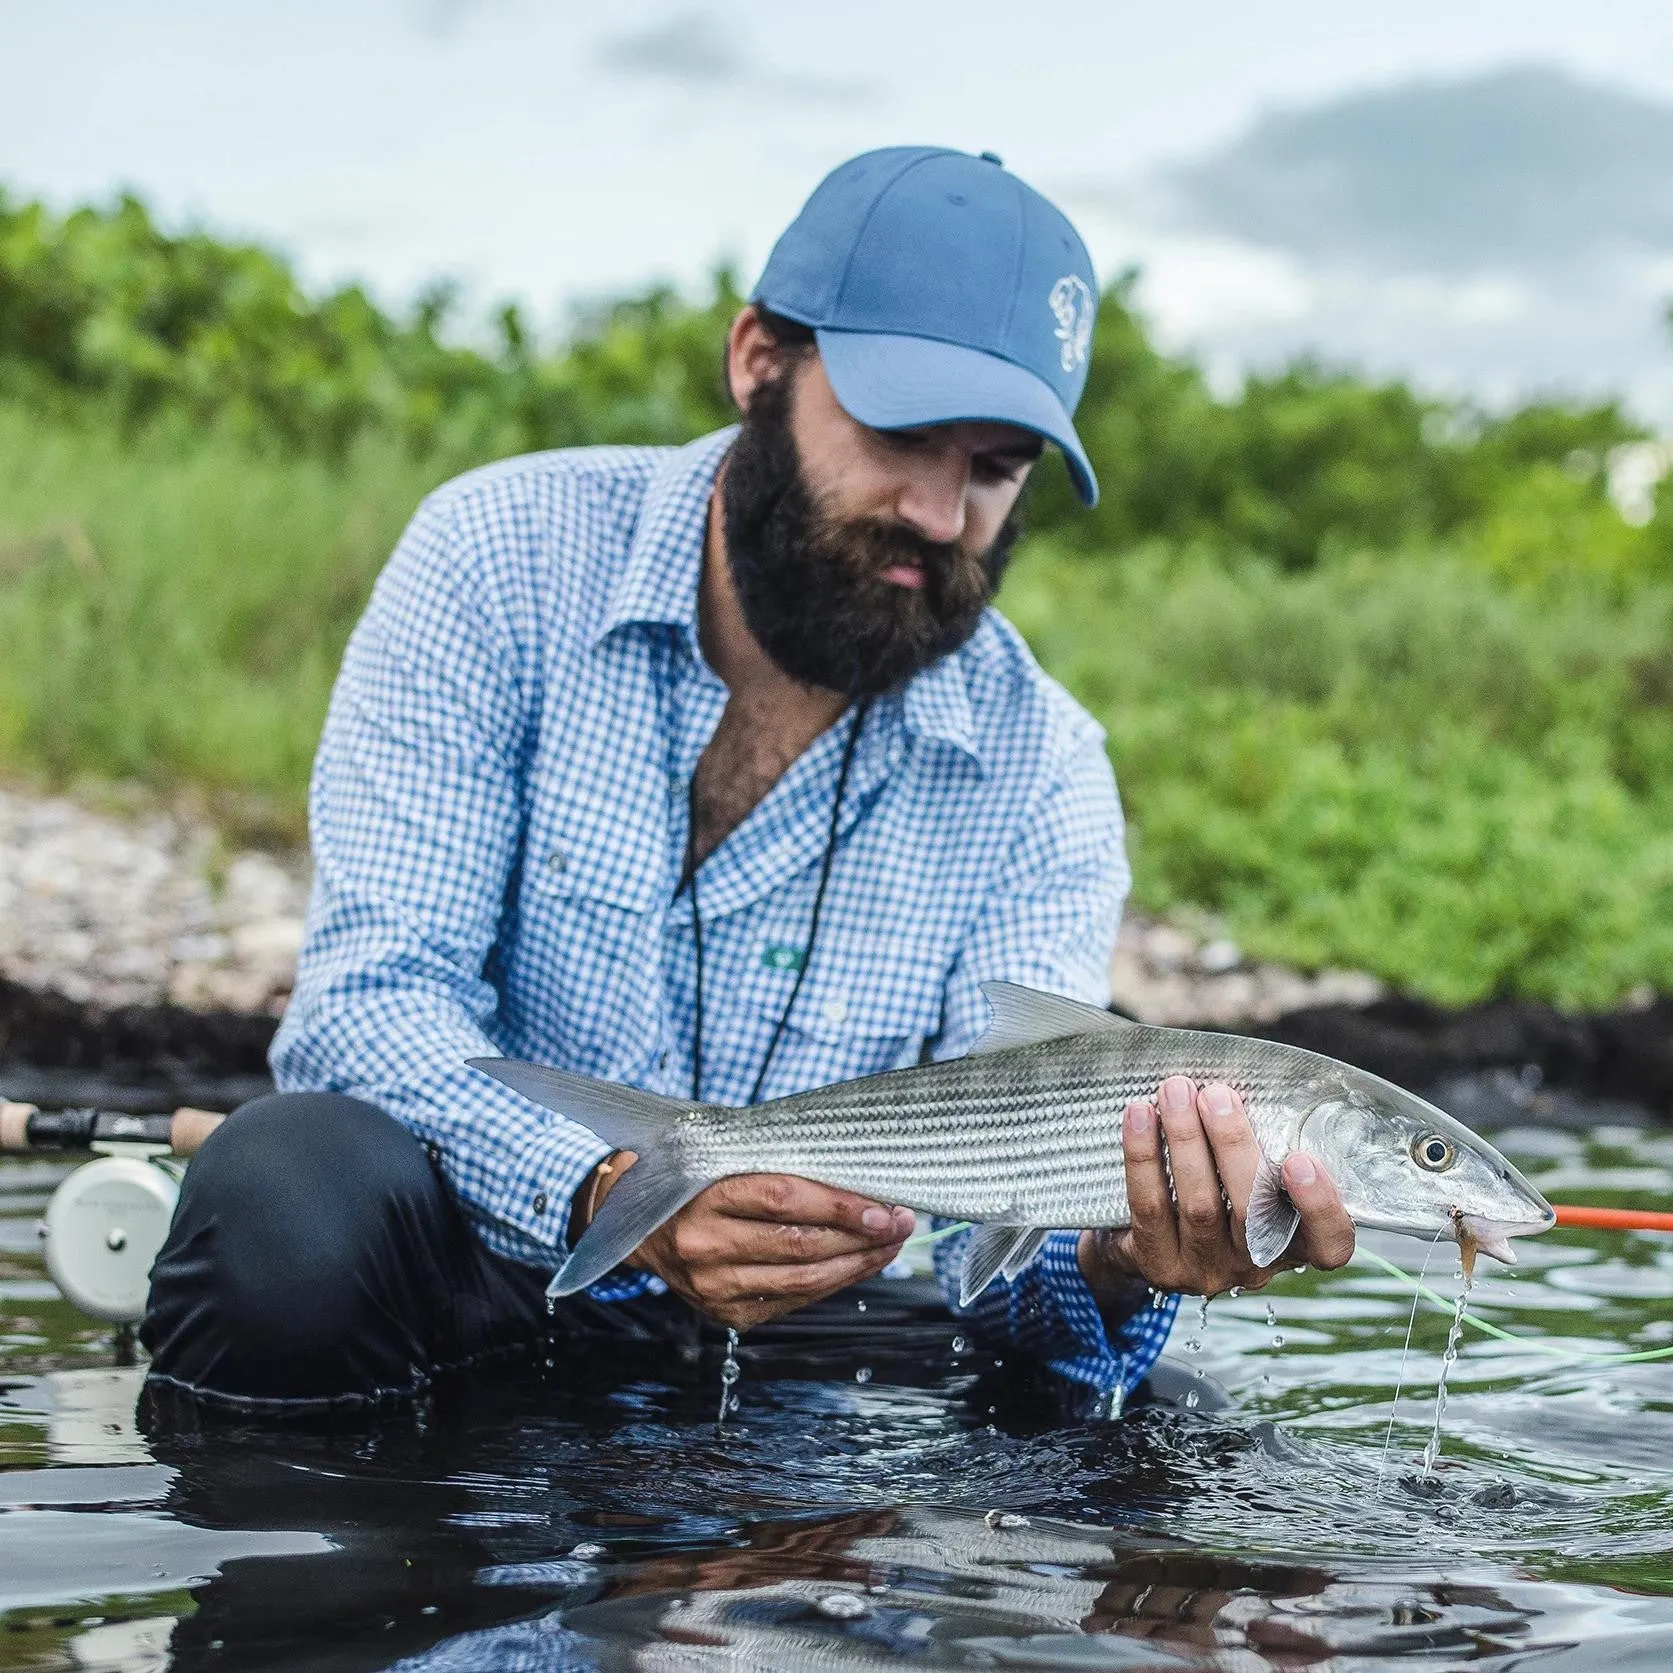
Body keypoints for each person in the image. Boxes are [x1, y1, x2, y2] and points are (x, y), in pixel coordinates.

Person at [139, 146, 1355, 1415]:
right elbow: (367, 1009)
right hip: (496, 1265)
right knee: (283, 1194)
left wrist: (1118, 1254)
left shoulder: (1043, 767)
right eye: (900, 431)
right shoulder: (494, 558)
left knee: (1146, 1416)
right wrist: (611, 1190)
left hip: (818, 1339)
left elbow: (1008, 1262)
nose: (942, 514)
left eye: (994, 467)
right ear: (756, 360)